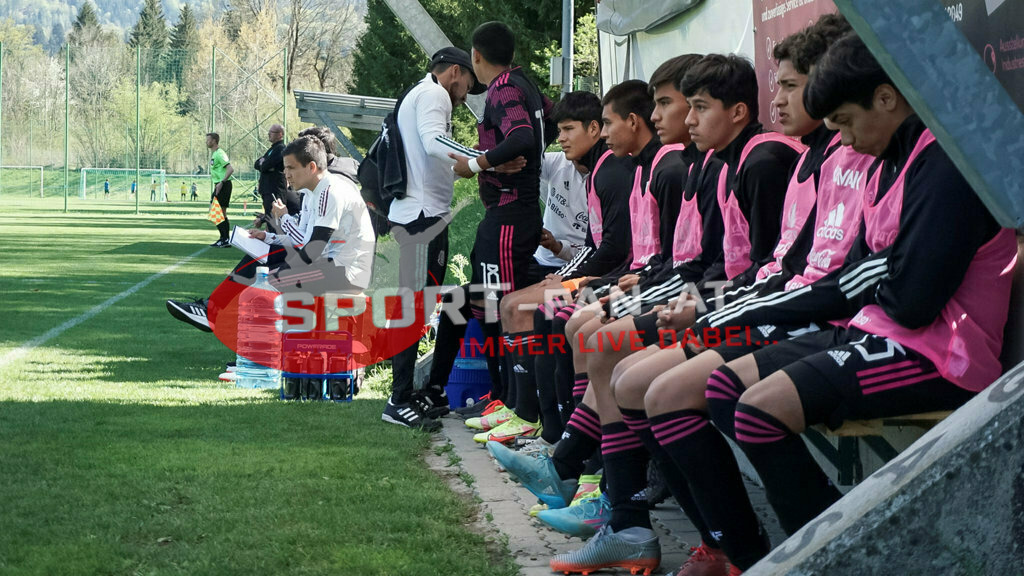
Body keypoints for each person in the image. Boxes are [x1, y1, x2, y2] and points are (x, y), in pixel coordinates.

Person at [446, 21, 555, 414]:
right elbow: (549, 122)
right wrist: (501, 159)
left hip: (512, 213)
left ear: (475, 56)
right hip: (507, 213)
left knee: (498, 306)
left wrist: (478, 164)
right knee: (483, 303)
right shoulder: (525, 84)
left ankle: (511, 404)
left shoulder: (505, 87)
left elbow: (525, 136)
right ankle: (503, 397)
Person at [381, 46, 487, 431]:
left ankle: (411, 394)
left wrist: (459, 167)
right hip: (421, 219)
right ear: (455, 73)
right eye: (468, 85)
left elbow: (428, 154)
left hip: (420, 215)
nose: (464, 95)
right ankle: (399, 399)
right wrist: (480, 158)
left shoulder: (420, 92)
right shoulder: (434, 94)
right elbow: (431, 143)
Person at [254, 124, 289, 216]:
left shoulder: (280, 149)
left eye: (272, 132)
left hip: (274, 190)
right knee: (268, 217)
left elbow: (265, 165)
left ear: (280, 135)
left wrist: (264, 164)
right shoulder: (272, 149)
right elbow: (257, 164)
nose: (268, 134)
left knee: (274, 219)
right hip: (266, 190)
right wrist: (264, 164)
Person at [207, 132, 234, 247]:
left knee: (217, 212)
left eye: (208, 139)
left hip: (224, 184)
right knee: (217, 213)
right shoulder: (215, 154)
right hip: (219, 184)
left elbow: (230, 169)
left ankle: (225, 239)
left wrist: (222, 182)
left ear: (214, 141)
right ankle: (224, 238)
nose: (206, 142)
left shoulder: (220, 153)